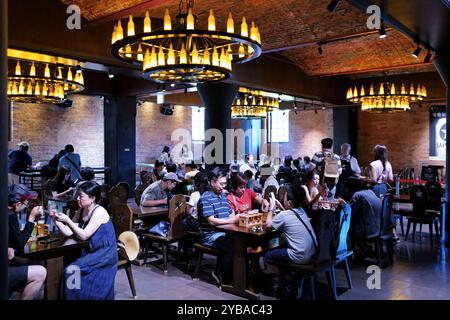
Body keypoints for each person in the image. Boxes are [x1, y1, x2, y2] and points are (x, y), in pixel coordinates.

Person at [50, 181, 118, 299]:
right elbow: (69, 232)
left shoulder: (99, 211)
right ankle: (74, 295)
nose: (77, 199)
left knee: (71, 270)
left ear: (92, 198)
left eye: (81, 196)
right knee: (67, 264)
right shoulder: (81, 210)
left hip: (104, 253)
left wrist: (67, 220)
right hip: (91, 250)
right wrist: (56, 220)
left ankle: (75, 296)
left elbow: (84, 235)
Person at [198, 167, 240, 285]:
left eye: (225, 184)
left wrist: (235, 218)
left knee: (241, 243)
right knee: (231, 246)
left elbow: (230, 213)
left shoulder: (222, 196)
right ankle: (223, 275)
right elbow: (211, 221)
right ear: (212, 182)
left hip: (224, 232)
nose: (223, 187)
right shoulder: (206, 198)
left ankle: (239, 275)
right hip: (210, 235)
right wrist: (233, 220)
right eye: (221, 184)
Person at [264, 183, 318, 265]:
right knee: (280, 248)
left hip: (300, 256)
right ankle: (288, 274)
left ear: (289, 202)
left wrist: (271, 208)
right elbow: (290, 215)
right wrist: (281, 206)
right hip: (312, 254)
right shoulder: (302, 210)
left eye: (284, 198)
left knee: (268, 255)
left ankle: (280, 277)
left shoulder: (284, 215)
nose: (283, 199)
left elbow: (268, 226)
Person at [341, 177, 382, 259]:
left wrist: (343, 204)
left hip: (367, 230)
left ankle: (349, 251)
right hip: (379, 227)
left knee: (343, 226)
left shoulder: (358, 195)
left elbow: (349, 213)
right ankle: (362, 248)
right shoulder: (370, 192)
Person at [8, 184, 43, 251]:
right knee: (39, 261)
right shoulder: (11, 216)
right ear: (18, 204)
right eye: (25, 204)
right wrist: (31, 217)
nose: (26, 206)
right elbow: (20, 244)